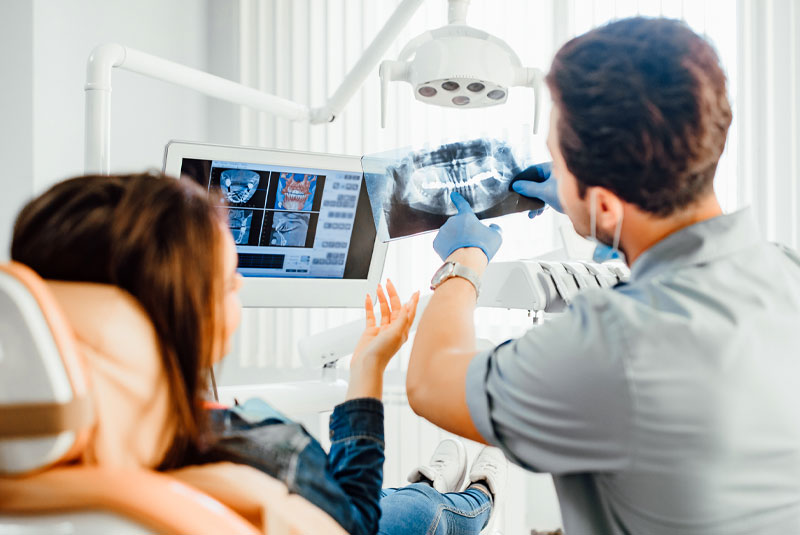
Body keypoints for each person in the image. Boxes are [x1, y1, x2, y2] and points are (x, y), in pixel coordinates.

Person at [406, 17, 800, 535]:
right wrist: (593, 213)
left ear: (607, 204)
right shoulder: (786, 271)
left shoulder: (612, 346)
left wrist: (464, 262)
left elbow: (431, 380)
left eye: (556, 160)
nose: (553, 171)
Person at [9, 173, 506, 535]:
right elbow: (356, 517)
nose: (240, 286)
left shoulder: (39, 462)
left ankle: (437, 478)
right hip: (357, 512)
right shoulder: (260, 461)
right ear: (181, 317)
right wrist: (371, 366)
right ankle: (479, 494)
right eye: (228, 282)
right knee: (422, 510)